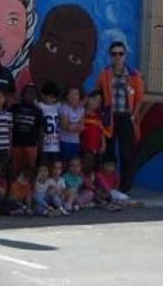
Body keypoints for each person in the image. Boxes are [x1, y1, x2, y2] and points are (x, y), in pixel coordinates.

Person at [95, 41, 145, 192]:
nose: (117, 57)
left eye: (120, 53)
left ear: (125, 55)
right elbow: (98, 94)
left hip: (126, 117)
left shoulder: (134, 75)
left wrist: (133, 116)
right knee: (108, 152)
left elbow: (139, 99)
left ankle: (124, 187)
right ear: (110, 56)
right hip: (109, 118)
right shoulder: (104, 74)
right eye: (114, 54)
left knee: (126, 153)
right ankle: (106, 185)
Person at [9, 84, 44, 176]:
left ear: (36, 96)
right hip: (16, 143)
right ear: (22, 94)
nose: (30, 95)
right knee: (16, 168)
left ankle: (29, 188)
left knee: (30, 169)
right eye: (27, 93)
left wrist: (40, 145)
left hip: (31, 144)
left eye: (33, 93)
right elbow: (9, 125)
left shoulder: (38, 110)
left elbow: (40, 128)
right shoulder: (14, 108)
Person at [38, 82, 62, 167]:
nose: (51, 99)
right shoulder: (39, 106)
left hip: (56, 145)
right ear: (43, 95)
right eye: (49, 96)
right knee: (44, 167)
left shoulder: (58, 106)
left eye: (54, 97)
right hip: (44, 145)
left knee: (55, 167)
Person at [59, 86, 85, 163]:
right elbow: (65, 127)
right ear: (67, 96)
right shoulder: (64, 108)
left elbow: (81, 127)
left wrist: (72, 125)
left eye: (76, 94)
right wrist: (76, 125)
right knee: (65, 163)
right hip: (64, 142)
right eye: (72, 94)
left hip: (76, 142)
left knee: (74, 163)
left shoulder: (81, 109)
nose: (74, 96)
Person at [81, 91, 108, 163]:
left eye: (99, 101)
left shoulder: (98, 115)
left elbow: (101, 131)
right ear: (87, 99)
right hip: (84, 147)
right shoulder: (81, 113)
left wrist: (104, 144)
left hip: (96, 148)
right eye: (94, 99)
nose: (96, 103)